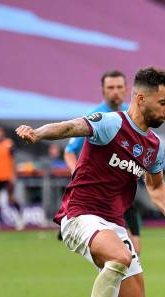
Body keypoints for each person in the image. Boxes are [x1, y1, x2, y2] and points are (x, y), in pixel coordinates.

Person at [16, 67, 165, 297]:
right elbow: (70, 128)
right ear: (140, 98)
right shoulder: (111, 123)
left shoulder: (154, 145)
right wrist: (38, 133)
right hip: (80, 216)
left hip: (114, 223)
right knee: (120, 257)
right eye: (163, 102)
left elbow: (157, 185)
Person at [63, 70, 142, 254]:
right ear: (103, 90)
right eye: (110, 87)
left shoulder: (133, 116)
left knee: (134, 252)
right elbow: (69, 152)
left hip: (124, 192)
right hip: (99, 195)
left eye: (119, 87)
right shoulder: (94, 117)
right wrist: (78, 176)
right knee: (113, 254)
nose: (115, 91)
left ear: (126, 89)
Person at [0, 126, 24, 230]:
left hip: (7, 176)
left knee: (11, 199)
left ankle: (20, 219)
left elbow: (13, 160)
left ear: (3, 133)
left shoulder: (8, 143)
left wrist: (13, 174)